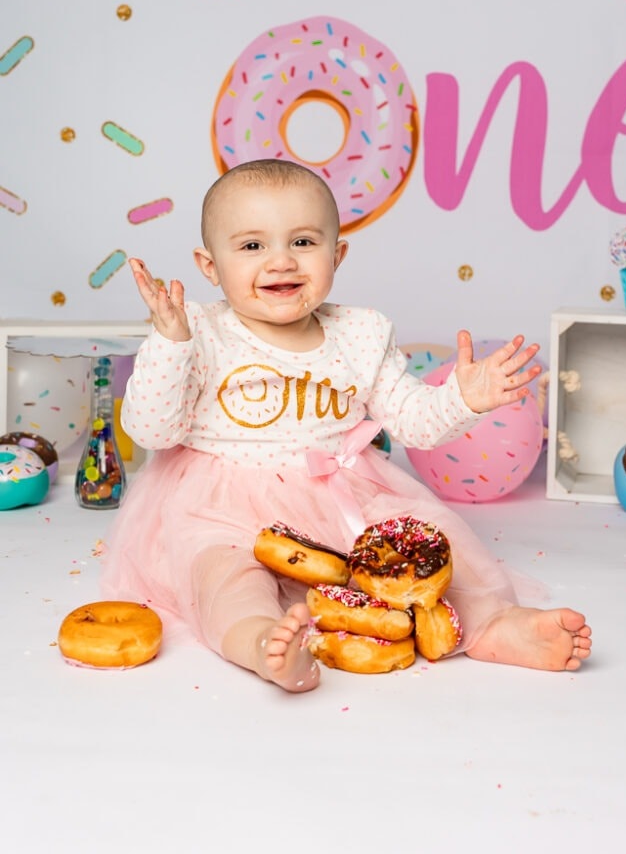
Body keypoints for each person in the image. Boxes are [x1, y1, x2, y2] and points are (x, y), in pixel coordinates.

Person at [101, 158, 591, 692]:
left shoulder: (360, 333)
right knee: (223, 575)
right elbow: (152, 432)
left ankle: (493, 624)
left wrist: (462, 400)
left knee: (436, 543)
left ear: (337, 255)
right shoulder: (195, 330)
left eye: (303, 242)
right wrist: (170, 344)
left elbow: (414, 422)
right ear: (210, 265)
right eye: (252, 246)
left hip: (343, 493)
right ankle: (261, 642)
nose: (281, 261)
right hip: (221, 503)